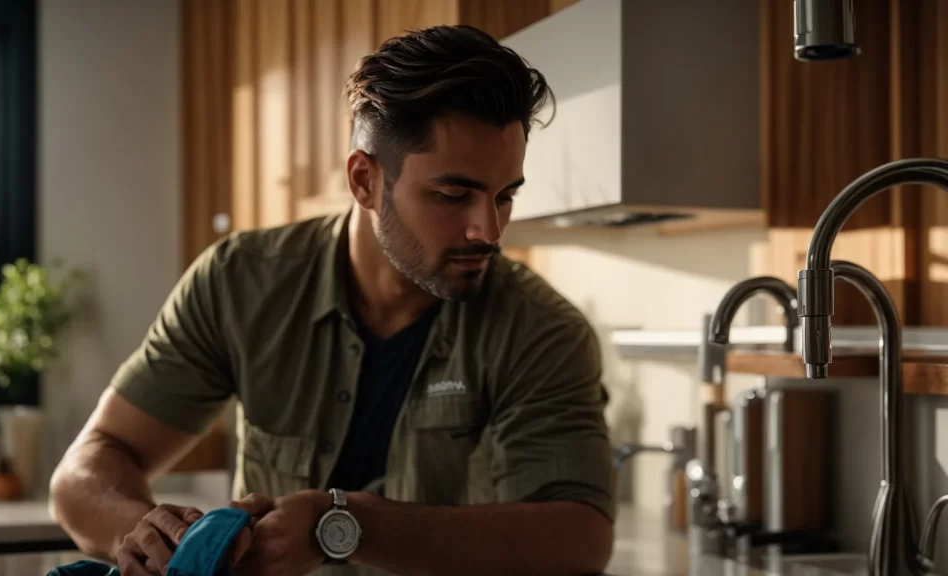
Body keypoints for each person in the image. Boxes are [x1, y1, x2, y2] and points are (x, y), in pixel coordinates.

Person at [49, 24, 616, 576]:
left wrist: (345, 526)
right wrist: (145, 532)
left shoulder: (541, 330)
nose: (488, 229)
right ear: (365, 179)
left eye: (505, 196)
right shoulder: (238, 282)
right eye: (453, 194)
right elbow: (86, 469)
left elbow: (580, 537)